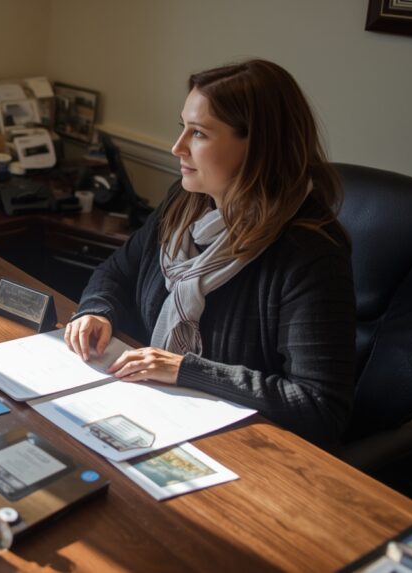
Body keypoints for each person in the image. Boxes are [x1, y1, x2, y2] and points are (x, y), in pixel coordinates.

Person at [64, 59, 356, 446]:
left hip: (242, 445)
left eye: (199, 133)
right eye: (182, 127)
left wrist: (186, 370)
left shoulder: (310, 254)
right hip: (152, 410)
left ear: (259, 148)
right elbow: (117, 271)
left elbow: (319, 407)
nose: (177, 147)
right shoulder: (186, 202)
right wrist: (96, 310)